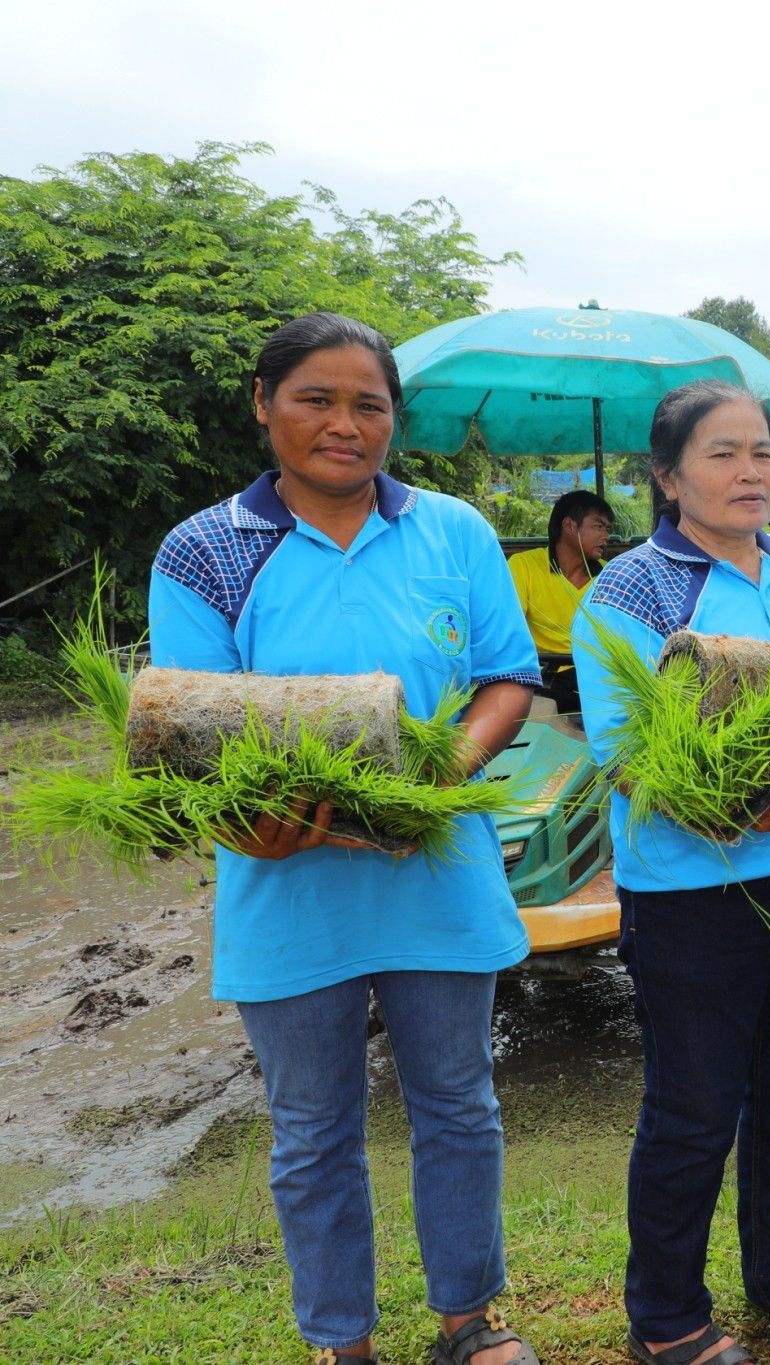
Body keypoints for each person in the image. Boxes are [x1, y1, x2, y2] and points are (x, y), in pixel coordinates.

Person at [148, 312, 542, 1365]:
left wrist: (445, 772)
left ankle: (468, 1320)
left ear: (392, 420)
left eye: (368, 403)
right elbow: (185, 730)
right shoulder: (205, 550)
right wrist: (252, 826)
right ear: (263, 403)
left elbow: (510, 675)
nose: (343, 423)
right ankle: (340, 1340)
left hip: (438, 875)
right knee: (313, 1133)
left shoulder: (452, 531)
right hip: (286, 889)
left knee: (458, 1109)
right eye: (315, 398)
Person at [570, 380, 770, 1365]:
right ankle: (665, 1317)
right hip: (695, 896)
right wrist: (741, 801)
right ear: (667, 477)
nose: (751, 471)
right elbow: (627, 757)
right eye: (721, 453)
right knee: (694, 1105)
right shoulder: (629, 593)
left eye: (760, 452)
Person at [507, 489, 613, 714]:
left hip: (594, 673)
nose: (606, 536)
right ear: (569, 525)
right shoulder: (524, 565)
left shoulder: (609, 575)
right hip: (543, 674)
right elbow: (508, 629)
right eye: (598, 526)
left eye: (607, 529)